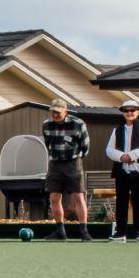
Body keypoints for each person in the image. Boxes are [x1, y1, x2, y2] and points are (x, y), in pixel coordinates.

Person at [104, 98, 139, 242]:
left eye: (132, 110)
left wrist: (132, 155)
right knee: (121, 202)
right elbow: (109, 150)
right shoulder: (117, 129)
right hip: (122, 171)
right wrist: (122, 157)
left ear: (138, 112)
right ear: (123, 113)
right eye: (126, 111)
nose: (129, 113)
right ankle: (120, 233)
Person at [41, 100, 91, 240]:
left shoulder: (79, 124)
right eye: (53, 112)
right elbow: (47, 143)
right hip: (55, 164)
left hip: (73, 163)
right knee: (54, 198)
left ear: (66, 111)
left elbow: (85, 146)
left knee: (78, 197)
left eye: (58, 112)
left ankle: (83, 231)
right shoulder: (46, 125)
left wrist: (76, 157)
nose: (55, 115)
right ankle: (60, 231)